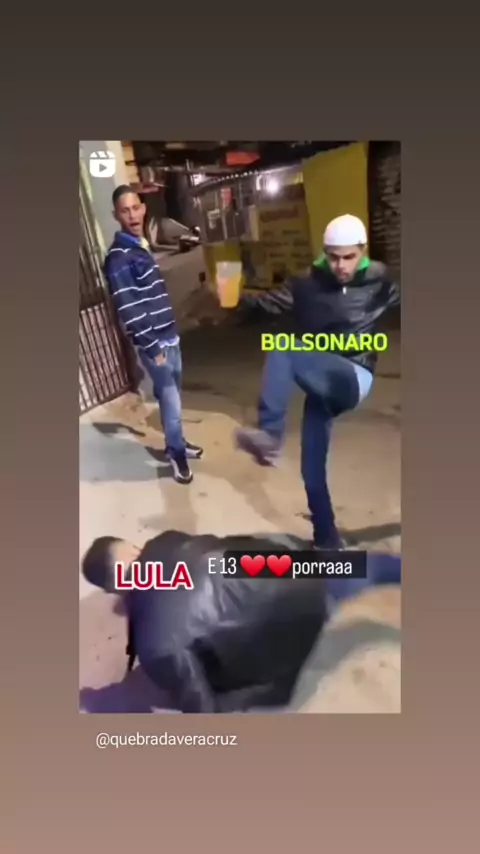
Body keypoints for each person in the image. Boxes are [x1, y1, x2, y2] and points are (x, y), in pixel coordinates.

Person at [81, 530, 401, 714]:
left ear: (113, 588)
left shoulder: (152, 644)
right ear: (132, 548)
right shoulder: (167, 540)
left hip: (286, 638)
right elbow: (224, 547)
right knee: (365, 568)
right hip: (295, 571)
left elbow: (200, 704)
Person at [236, 214, 400, 550]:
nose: (341, 266)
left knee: (284, 348)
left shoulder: (381, 279)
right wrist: (230, 298)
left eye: (349, 257)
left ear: (362, 250)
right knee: (311, 465)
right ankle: (326, 538)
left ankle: (270, 434)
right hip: (320, 377)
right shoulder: (305, 282)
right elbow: (266, 303)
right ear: (325, 253)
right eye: (334, 257)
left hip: (353, 375)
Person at [103, 186, 203, 485]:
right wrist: (152, 347)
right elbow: (129, 308)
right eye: (125, 211)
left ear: (144, 208)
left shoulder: (140, 245)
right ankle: (176, 454)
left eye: (136, 208)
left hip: (169, 335)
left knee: (172, 396)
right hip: (155, 343)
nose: (132, 215)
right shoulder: (118, 257)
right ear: (116, 215)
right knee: (171, 400)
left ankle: (177, 442)